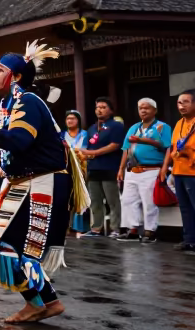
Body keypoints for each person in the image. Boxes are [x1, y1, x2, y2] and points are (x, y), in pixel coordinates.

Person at [0, 43, 88, 323]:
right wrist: (4, 167)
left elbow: (19, 141)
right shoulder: (11, 103)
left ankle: (39, 303)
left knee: (12, 248)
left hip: (43, 185)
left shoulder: (28, 101)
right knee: (2, 246)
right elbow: (21, 148)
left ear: (16, 77)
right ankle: (46, 302)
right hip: (25, 183)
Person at [116, 98, 171, 244]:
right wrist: (121, 169)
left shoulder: (162, 127)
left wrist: (145, 142)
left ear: (155, 110)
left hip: (151, 169)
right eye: (140, 108)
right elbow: (125, 150)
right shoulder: (134, 127)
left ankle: (150, 231)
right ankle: (132, 229)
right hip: (132, 169)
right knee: (128, 200)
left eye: (147, 108)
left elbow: (167, 147)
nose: (143, 111)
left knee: (149, 202)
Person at [83, 97, 126, 236]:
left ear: (111, 110)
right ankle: (96, 228)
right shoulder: (92, 128)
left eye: (103, 107)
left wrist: (93, 153)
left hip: (109, 167)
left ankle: (115, 228)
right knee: (94, 200)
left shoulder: (116, 125)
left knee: (112, 200)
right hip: (93, 168)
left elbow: (115, 145)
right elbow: (88, 147)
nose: (99, 110)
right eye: (97, 107)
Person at [162, 90, 195, 253]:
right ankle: (189, 239)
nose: (181, 106)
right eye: (179, 103)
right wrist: (166, 167)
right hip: (179, 171)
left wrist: (189, 152)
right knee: (185, 208)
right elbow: (173, 146)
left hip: (193, 172)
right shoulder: (179, 123)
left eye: (186, 102)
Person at [61, 110, 89, 237]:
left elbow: (85, 151)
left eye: (73, 118)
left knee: (78, 196)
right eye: (68, 118)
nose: (70, 121)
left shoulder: (85, 134)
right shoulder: (61, 135)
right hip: (65, 169)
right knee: (65, 198)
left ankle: (78, 227)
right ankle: (65, 226)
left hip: (80, 169)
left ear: (78, 120)